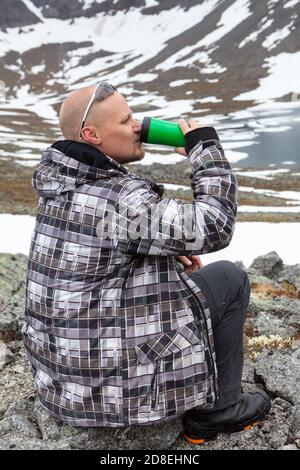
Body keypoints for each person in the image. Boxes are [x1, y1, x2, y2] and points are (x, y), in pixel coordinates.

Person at [22, 82, 271, 444]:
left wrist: (163, 248)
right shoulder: (120, 198)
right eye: (125, 121)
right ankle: (218, 410)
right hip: (113, 395)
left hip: (64, 388)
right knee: (229, 278)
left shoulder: (59, 184)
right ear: (91, 135)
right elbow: (215, 224)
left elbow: (102, 245)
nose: (138, 126)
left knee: (184, 278)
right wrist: (205, 148)